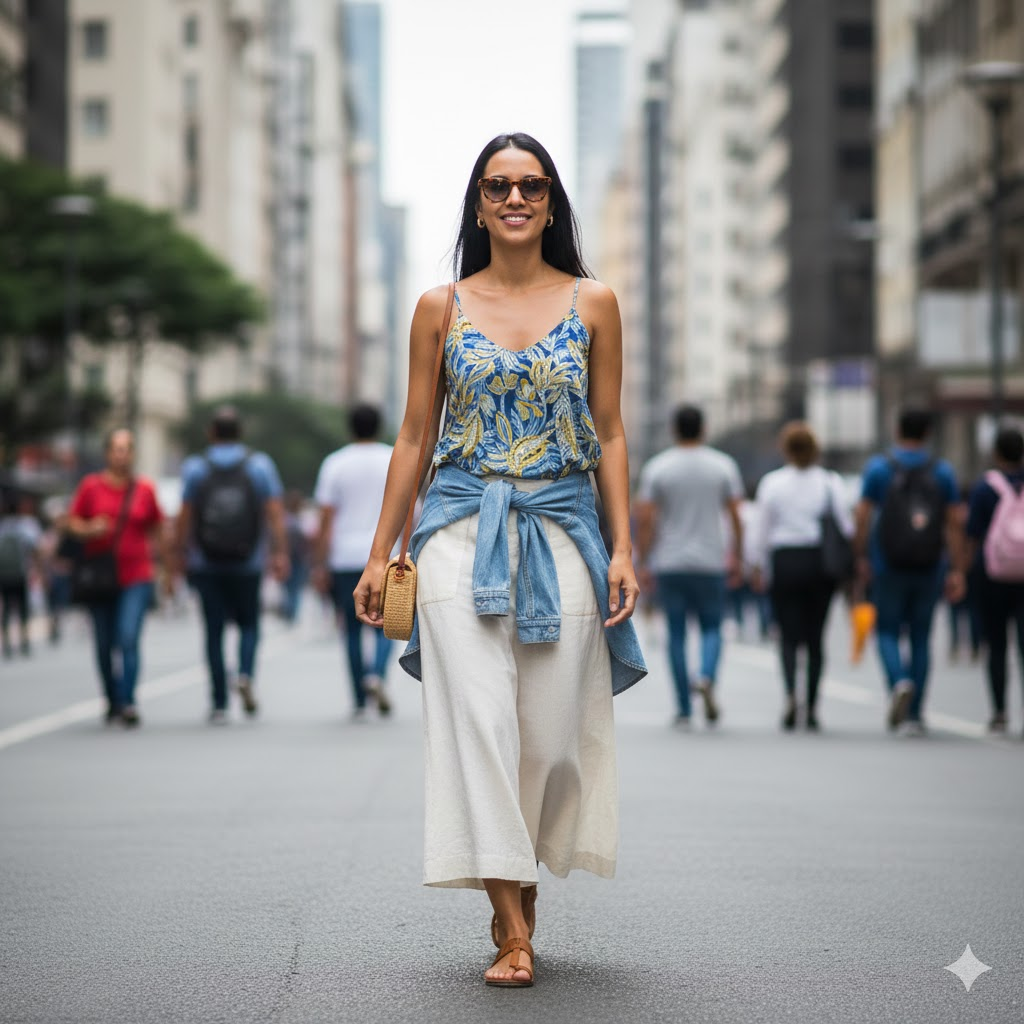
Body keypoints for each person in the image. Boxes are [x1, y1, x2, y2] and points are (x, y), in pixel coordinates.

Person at [353, 133, 646, 988]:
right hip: (455, 531)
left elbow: (613, 431)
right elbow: (413, 435)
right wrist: (381, 556)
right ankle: (511, 927)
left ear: (551, 202)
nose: (514, 199)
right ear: (478, 205)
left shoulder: (595, 303)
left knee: (549, 744)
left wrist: (624, 546)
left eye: (531, 185)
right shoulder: (438, 307)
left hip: (563, 528)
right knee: (479, 723)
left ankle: (516, 887)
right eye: (497, 187)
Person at [174, 407, 289, 724]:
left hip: (206, 562)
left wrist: (178, 555)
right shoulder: (259, 466)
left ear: (212, 433)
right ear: (241, 433)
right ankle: (246, 674)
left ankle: (219, 702)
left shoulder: (195, 468)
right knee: (249, 624)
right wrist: (280, 552)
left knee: (213, 630)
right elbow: (275, 513)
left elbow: (185, 516)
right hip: (248, 561)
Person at [853, 408, 963, 735]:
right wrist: (956, 566)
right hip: (929, 564)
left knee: (886, 630)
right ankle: (915, 713)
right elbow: (954, 522)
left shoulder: (879, 468)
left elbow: (862, 516)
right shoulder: (942, 471)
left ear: (897, 428)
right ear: (928, 432)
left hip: (887, 563)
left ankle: (898, 682)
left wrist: (860, 555)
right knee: (920, 636)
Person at [635, 405, 743, 726]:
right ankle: (706, 675)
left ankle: (683, 706)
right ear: (704, 428)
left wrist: (643, 560)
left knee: (677, 634)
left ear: (674, 429)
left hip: (670, 562)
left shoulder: (658, 468)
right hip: (711, 562)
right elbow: (736, 516)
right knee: (712, 627)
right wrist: (738, 555)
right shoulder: (723, 466)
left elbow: (646, 519)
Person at [751, 423, 853, 731]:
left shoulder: (773, 483)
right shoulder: (830, 482)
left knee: (788, 636)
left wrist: (756, 565)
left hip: (785, 561)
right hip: (819, 563)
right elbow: (846, 527)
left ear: (786, 449)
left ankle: (789, 694)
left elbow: (761, 530)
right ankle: (811, 705)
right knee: (815, 638)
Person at [67, 429, 165, 726]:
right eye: (116, 449)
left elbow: (158, 529)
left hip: (136, 574)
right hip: (99, 577)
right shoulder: (90, 486)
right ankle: (111, 699)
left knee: (128, 636)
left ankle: (128, 701)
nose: (121, 454)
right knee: (103, 642)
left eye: (126, 449)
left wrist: (167, 568)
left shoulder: (145, 489)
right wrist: (89, 529)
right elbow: (71, 522)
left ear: (133, 454)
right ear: (107, 453)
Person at [313, 404, 395, 718]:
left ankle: (360, 698)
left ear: (350, 428)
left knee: (350, 628)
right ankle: (376, 674)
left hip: (345, 557)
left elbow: (326, 519)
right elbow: (413, 512)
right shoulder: (393, 458)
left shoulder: (335, 463)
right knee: (386, 625)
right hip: (385, 556)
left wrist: (319, 563)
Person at [959, 426, 1024, 734]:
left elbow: (971, 534)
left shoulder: (985, 488)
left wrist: (961, 569)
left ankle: (999, 711)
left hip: (992, 574)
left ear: (996, 453)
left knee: (996, 645)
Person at [0, 492, 42, 658]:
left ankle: (7, 641)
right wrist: (38, 569)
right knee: (23, 608)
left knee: (6, 609)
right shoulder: (25, 526)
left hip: (3, 574)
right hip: (21, 573)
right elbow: (35, 548)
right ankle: (24, 639)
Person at [281, 490, 311, 626]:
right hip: (298, 558)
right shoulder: (300, 521)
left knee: (288, 587)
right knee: (295, 588)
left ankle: (288, 611)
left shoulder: (284, 520)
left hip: (287, 556)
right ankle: (292, 612)